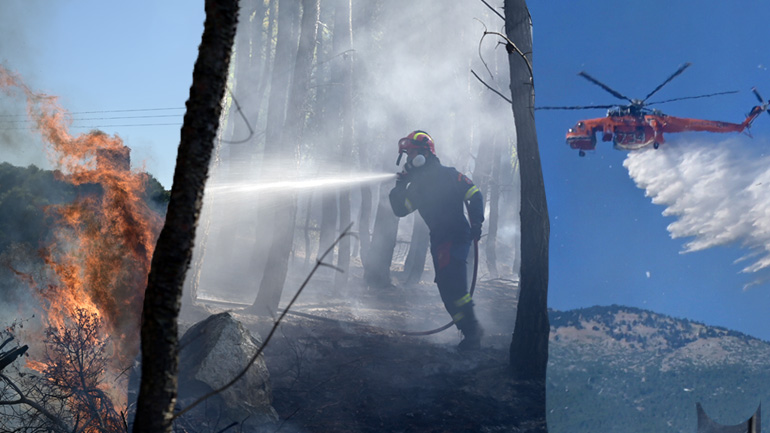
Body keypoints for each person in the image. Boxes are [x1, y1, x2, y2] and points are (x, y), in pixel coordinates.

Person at [389, 130, 485, 351]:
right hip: (440, 240)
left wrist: (477, 223)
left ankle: (473, 334)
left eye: (411, 154)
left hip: (457, 236)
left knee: (455, 287)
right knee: (446, 289)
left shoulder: (449, 175)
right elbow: (399, 210)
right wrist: (400, 185)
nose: (409, 160)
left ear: (424, 155)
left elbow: (474, 193)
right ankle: (469, 332)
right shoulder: (418, 188)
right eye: (407, 155)